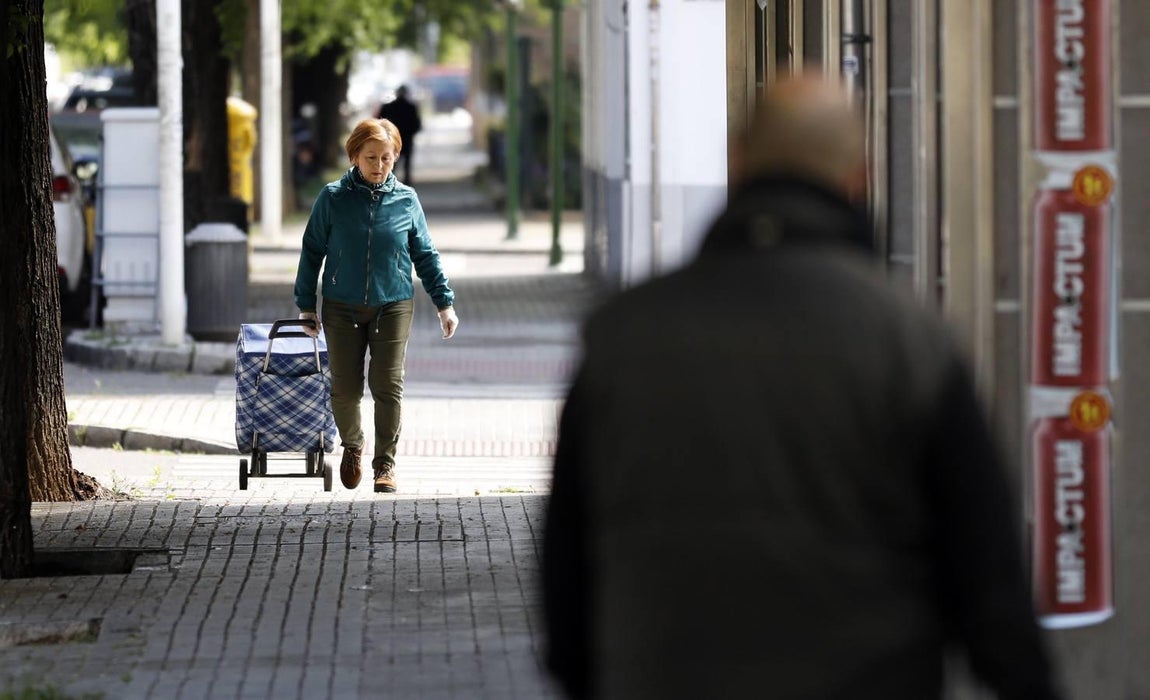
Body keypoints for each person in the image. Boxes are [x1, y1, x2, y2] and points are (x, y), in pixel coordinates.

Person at [541, 76, 1062, 699]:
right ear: (859, 175)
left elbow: (566, 569)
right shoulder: (909, 339)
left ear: (737, 164)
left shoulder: (622, 337)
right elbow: (988, 578)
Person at [294, 118, 458, 495]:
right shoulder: (332, 198)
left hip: (393, 303)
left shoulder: (406, 200)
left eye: (387, 158)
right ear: (354, 155)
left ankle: (385, 463)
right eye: (371, 157)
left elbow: (425, 254)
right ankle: (353, 445)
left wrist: (444, 303)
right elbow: (311, 251)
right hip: (341, 305)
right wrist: (306, 305)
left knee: (387, 384)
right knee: (346, 391)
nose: (379, 165)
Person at [377, 85, 423, 185]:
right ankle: (407, 184)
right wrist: (410, 133)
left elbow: (379, 122)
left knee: (390, 162)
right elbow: (417, 125)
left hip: (391, 140)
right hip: (407, 140)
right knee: (407, 164)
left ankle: (388, 183)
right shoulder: (411, 107)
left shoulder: (388, 107)